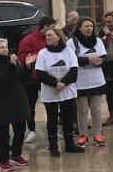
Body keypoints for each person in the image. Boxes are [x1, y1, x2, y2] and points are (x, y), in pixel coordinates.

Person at [0, 37, 31, 172]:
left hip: (18, 98)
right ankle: (3, 161)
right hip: (1, 101)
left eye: (6, 46)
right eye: (2, 47)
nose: (6, 49)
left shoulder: (13, 60)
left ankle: (16, 155)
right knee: (2, 132)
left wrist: (27, 67)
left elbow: (23, 79)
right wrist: (11, 66)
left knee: (20, 129)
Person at [35, 27, 83, 157]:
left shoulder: (69, 52)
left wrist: (63, 83)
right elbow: (40, 73)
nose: (47, 38)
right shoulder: (42, 53)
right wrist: (55, 83)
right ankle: (53, 146)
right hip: (50, 91)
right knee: (52, 118)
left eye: (50, 35)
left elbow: (73, 71)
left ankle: (69, 144)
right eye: (46, 36)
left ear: (58, 37)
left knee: (67, 117)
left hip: (67, 90)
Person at [18, 15, 56, 143]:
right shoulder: (28, 40)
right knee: (30, 105)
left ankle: (53, 129)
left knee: (51, 105)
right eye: (51, 27)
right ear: (44, 27)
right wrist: (35, 57)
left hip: (48, 78)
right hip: (31, 79)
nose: (54, 30)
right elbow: (22, 56)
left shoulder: (55, 39)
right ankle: (32, 130)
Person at [72, 17, 107, 147]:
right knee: (82, 110)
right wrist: (88, 61)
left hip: (96, 81)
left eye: (91, 26)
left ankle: (98, 135)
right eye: (86, 26)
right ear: (79, 27)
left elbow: (104, 56)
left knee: (96, 110)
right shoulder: (72, 42)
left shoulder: (98, 41)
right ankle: (83, 135)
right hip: (80, 82)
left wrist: (100, 61)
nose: (89, 29)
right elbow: (72, 59)